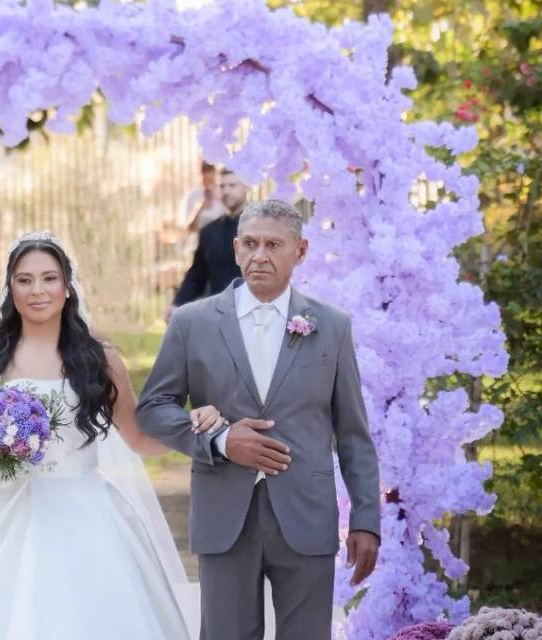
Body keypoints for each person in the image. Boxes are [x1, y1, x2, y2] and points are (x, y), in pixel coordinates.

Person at [0, 231, 230, 640]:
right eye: (24, 280)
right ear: (10, 286)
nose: (37, 290)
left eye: (49, 278)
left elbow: (139, 438)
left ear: (67, 286)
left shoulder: (100, 358)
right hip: (10, 509)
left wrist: (196, 428)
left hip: (88, 513)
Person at [137, 200, 381, 640]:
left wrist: (365, 519)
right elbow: (153, 407)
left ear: (300, 251)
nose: (260, 256)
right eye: (250, 244)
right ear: (234, 249)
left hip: (306, 518)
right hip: (224, 517)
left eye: (273, 244)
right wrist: (219, 441)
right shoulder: (192, 323)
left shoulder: (332, 326)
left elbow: (353, 434)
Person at [166, 169, 249, 322]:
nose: (226, 191)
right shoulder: (209, 232)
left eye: (232, 185)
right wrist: (177, 304)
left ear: (246, 186)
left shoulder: (262, 228)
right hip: (219, 315)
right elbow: (197, 274)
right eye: (222, 186)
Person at [180, 161, 225, 234]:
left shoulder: (223, 193)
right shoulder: (192, 195)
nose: (208, 175)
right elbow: (188, 228)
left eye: (211, 171)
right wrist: (199, 208)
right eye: (204, 172)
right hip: (199, 242)